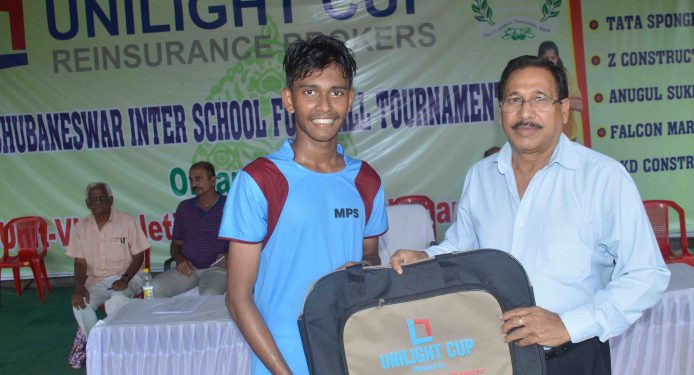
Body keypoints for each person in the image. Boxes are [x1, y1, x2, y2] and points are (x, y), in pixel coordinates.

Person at [390, 55, 670, 374]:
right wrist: (425, 258)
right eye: (514, 100)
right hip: (493, 356)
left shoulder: (602, 177)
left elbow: (646, 274)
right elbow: (463, 249)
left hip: (573, 357)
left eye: (539, 99)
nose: (525, 113)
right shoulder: (481, 177)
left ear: (563, 110)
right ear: (500, 112)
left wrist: (568, 325)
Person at [220, 35, 388, 375]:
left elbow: (371, 257)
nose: (325, 106)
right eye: (310, 91)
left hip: (352, 356)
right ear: (289, 99)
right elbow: (237, 298)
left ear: (350, 99)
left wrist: (363, 268)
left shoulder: (366, 180)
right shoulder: (259, 180)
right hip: (283, 362)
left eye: (336, 92)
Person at [67, 182, 150, 337]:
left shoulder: (127, 221)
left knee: (116, 300)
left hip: (129, 277)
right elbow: (80, 262)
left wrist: (125, 278)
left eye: (102, 198)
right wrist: (79, 288)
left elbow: (139, 255)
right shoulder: (81, 227)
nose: (98, 202)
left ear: (111, 200)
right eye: (94, 199)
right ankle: (97, 344)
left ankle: (120, 344)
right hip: (97, 281)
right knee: (80, 304)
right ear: (87, 204)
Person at [153, 161, 228, 297]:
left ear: (212, 181)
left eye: (198, 179)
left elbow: (244, 242)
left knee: (209, 295)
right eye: (191, 180)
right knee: (154, 287)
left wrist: (231, 256)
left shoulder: (229, 205)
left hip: (218, 268)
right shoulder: (184, 207)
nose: (194, 184)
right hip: (189, 268)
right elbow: (176, 244)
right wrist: (180, 259)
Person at [538, 41, 584, 142]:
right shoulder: (534, 78)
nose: (550, 61)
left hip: (567, 136)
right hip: (543, 137)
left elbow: (579, 105)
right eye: (546, 58)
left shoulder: (565, 76)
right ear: (540, 59)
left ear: (557, 59)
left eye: (553, 58)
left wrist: (555, 100)